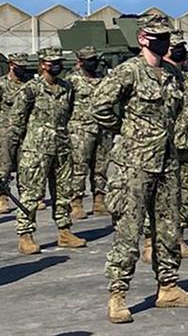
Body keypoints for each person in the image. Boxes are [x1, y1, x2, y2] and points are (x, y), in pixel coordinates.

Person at [92, 14, 188, 324]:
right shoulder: (128, 72)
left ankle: (168, 287)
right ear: (142, 37)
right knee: (128, 233)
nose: (164, 41)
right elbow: (100, 106)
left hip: (166, 163)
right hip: (133, 166)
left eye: (167, 35)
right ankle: (117, 295)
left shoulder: (172, 74)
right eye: (157, 36)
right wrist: (126, 132)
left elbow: (177, 111)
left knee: (167, 229)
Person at [2, 47, 85, 254]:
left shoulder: (67, 87)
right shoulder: (30, 89)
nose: (55, 65)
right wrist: (8, 157)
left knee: (64, 191)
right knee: (32, 194)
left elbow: (68, 114)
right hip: (35, 150)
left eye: (58, 61)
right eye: (51, 62)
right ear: (41, 64)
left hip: (62, 149)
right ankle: (25, 235)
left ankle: (64, 231)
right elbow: (16, 124)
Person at [162, 31, 188, 260]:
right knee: (164, 196)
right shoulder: (160, 76)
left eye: (181, 47)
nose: (178, 51)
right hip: (166, 146)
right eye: (174, 46)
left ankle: (179, 237)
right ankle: (151, 241)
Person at [66, 46, 113, 219]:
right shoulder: (72, 80)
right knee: (79, 166)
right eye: (89, 59)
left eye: (95, 59)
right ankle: (76, 202)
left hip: (102, 129)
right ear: (80, 61)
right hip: (80, 129)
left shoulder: (104, 79)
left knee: (101, 166)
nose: (93, 62)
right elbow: (66, 105)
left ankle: (99, 200)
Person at [0, 53, 30, 215]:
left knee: (25, 166)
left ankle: (26, 197)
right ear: (11, 65)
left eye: (24, 66)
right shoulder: (2, 84)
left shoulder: (29, 85)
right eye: (19, 66)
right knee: (3, 166)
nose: (22, 69)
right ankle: (2, 197)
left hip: (25, 131)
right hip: (6, 132)